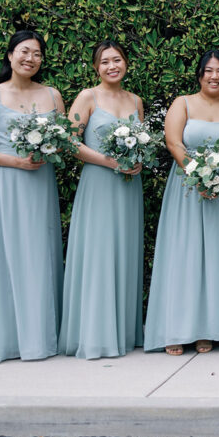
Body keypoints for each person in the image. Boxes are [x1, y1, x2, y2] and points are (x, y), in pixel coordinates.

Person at [0, 30, 65, 363]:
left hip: (41, 184)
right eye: (24, 52)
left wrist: (45, 152)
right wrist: (17, 161)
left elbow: (62, 140)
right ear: (10, 56)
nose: (30, 58)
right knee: (7, 256)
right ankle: (9, 339)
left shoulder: (53, 95)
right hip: (7, 183)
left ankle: (40, 337)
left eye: (37, 54)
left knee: (40, 254)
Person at [144, 49, 219, 355]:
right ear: (199, 74)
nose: (214, 76)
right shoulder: (183, 103)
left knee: (217, 259)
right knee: (183, 256)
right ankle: (175, 329)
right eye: (208, 71)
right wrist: (200, 176)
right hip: (187, 190)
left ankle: (208, 330)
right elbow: (174, 142)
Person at [58, 41, 145, 359]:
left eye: (118, 60)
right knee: (98, 254)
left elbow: (142, 142)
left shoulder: (136, 100)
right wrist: (108, 161)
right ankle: (94, 335)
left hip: (127, 187)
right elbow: (68, 140)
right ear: (97, 67)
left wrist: (137, 161)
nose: (112, 66)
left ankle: (121, 332)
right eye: (105, 61)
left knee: (123, 252)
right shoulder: (87, 97)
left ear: (126, 63)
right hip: (98, 184)